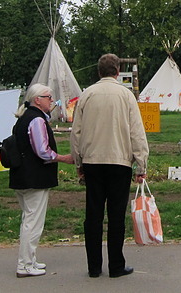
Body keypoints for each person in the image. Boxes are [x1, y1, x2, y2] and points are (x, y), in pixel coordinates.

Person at [70, 53, 149, 279]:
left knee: (92, 214)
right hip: (119, 161)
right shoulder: (126, 96)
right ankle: (116, 264)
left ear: (98, 72)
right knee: (116, 215)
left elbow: (76, 133)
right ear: (117, 72)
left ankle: (94, 266)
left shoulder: (86, 95)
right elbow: (137, 132)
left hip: (93, 161)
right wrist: (141, 164)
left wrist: (78, 161)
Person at [9, 83, 74, 278]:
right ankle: (25, 264)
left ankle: (30, 259)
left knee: (28, 219)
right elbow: (43, 151)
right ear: (38, 99)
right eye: (48, 97)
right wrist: (63, 158)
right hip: (34, 177)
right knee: (33, 222)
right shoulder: (36, 120)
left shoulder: (23, 118)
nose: (51, 101)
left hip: (21, 175)